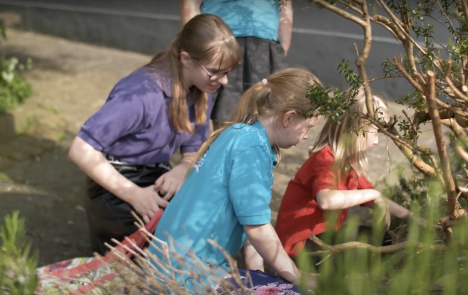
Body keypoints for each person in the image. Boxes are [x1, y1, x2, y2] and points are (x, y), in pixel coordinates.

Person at [67, 14, 241, 255]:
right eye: (215, 72)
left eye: (228, 72)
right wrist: (134, 195)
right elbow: (81, 149)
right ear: (186, 59)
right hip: (115, 184)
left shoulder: (201, 87)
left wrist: (182, 169)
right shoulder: (140, 95)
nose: (223, 80)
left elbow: (194, 148)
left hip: (153, 174)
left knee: (210, 212)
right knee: (170, 234)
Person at [148, 68, 322, 290]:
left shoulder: (238, 133)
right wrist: (295, 274)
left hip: (167, 265)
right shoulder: (253, 149)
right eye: (308, 127)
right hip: (187, 275)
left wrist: (256, 271)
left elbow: (247, 218)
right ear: (288, 117)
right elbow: (257, 227)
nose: (306, 136)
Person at [275, 91, 412, 259]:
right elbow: (326, 200)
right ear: (356, 129)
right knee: (365, 252)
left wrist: (410, 216)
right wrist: (374, 195)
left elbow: (369, 194)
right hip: (300, 248)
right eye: (375, 133)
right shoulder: (326, 160)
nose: (376, 141)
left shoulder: (348, 162)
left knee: (383, 240)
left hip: (322, 238)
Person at [179, 0, 293, 129]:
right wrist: (195, 45)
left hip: (266, 46)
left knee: (268, 120)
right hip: (219, 42)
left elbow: (285, 5)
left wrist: (280, 49)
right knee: (226, 123)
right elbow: (189, 3)